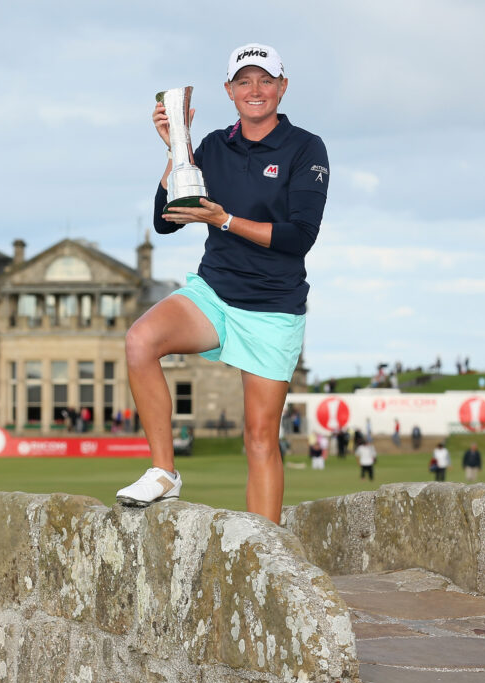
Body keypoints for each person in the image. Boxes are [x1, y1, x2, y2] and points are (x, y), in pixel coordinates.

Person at [116, 43, 329, 524]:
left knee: (258, 437)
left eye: (265, 80)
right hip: (214, 294)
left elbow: (300, 237)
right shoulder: (213, 145)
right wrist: (178, 149)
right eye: (244, 81)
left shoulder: (306, 147)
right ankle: (165, 471)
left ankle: (269, 552)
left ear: (282, 87)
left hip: (273, 308)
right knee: (140, 340)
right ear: (229, 91)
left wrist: (226, 219)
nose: (255, 90)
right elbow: (165, 221)